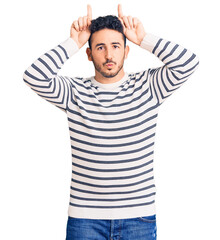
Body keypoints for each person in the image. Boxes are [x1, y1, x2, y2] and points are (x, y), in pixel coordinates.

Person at [23, 4, 199, 240]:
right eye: (100, 47)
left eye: (116, 46)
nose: (109, 55)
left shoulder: (148, 86)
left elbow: (188, 62)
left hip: (139, 219)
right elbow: (33, 76)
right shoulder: (73, 91)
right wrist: (74, 42)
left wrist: (143, 38)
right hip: (85, 220)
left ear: (126, 51)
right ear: (89, 54)